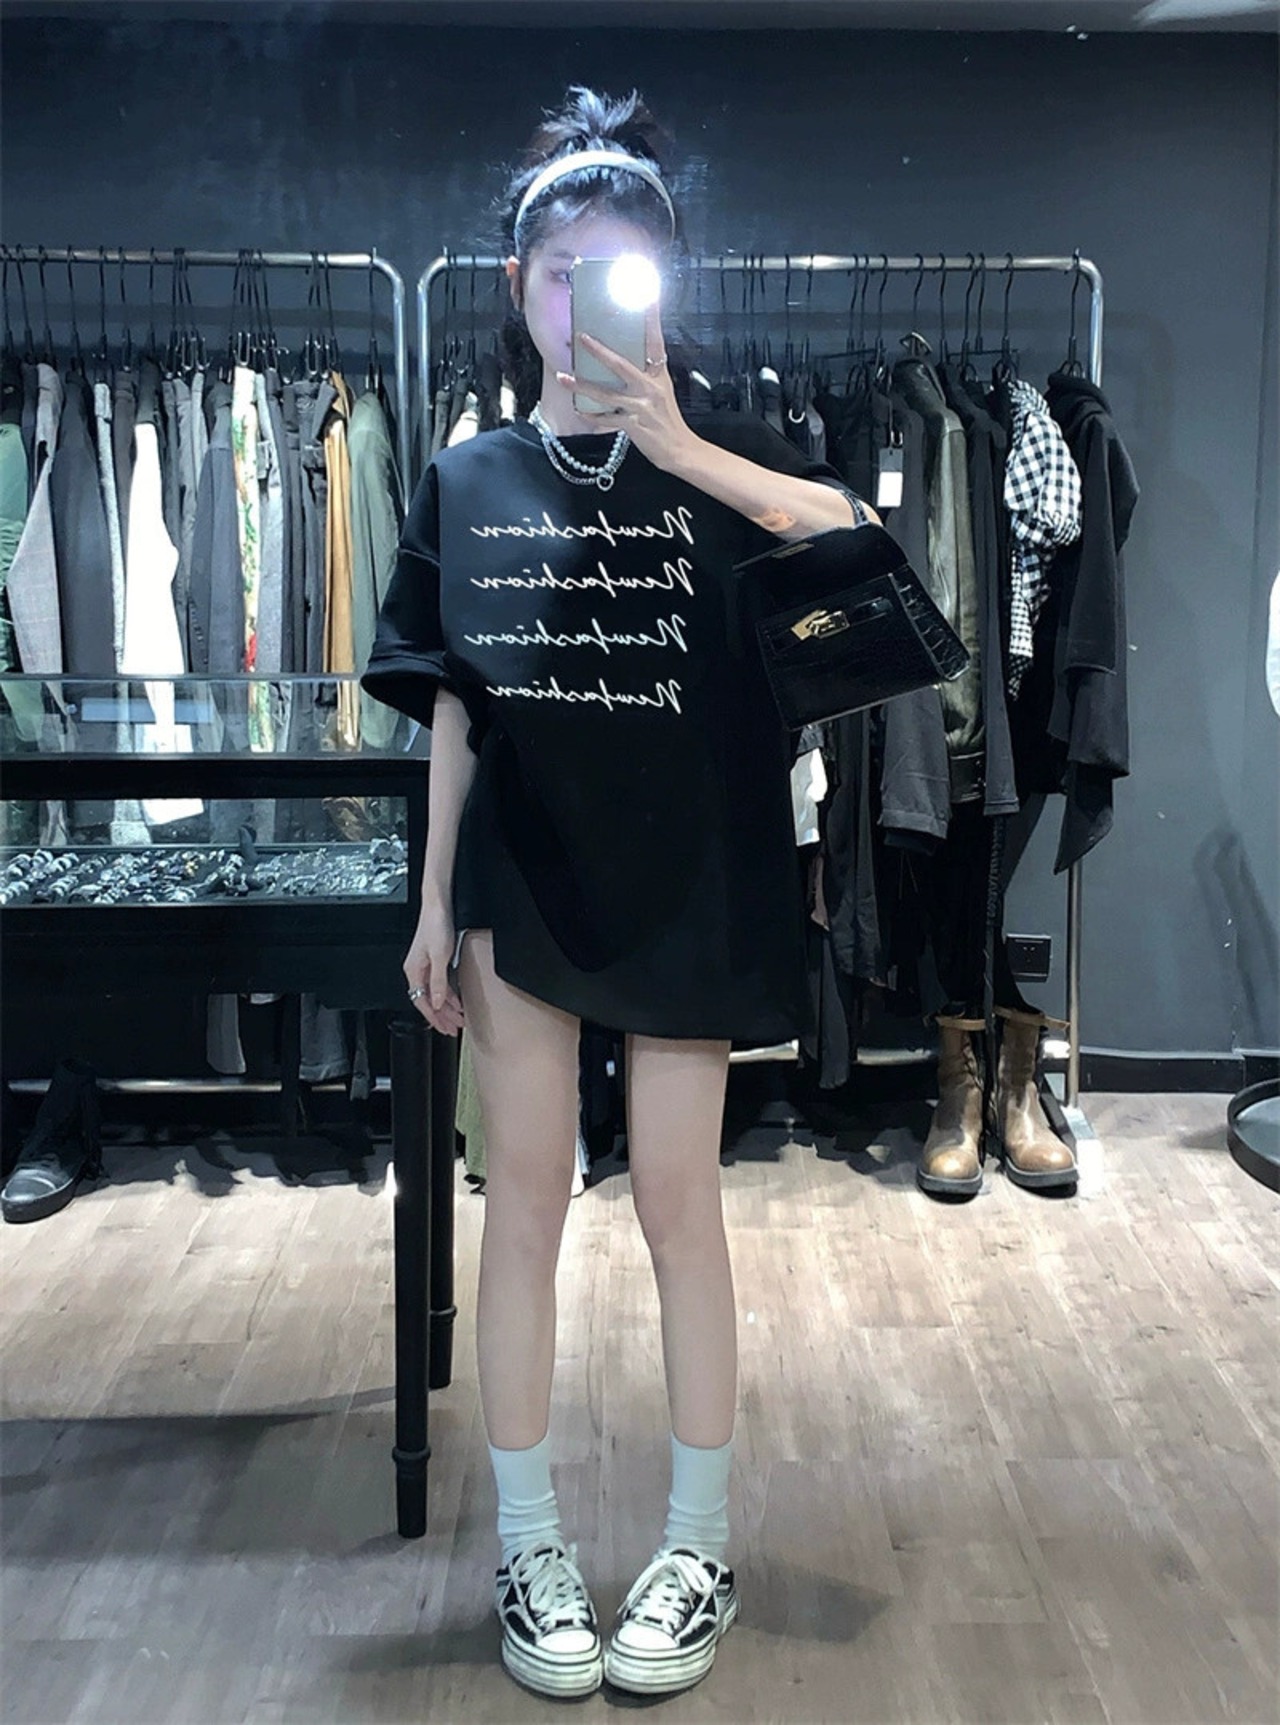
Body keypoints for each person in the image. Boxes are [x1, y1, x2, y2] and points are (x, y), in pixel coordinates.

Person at [361, 84, 876, 1701]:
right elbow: (455, 704)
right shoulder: (467, 479)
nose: (583, 297)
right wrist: (431, 901)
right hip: (522, 880)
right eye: (558, 269)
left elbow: (860, 554)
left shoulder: (728, 462)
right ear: (519, 287)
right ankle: (526, 1547)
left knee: (677, 1205)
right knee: (522, 1205)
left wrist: (681, 448)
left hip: (692, 876)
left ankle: (698, 1545)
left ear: (663, 287)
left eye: (618, 269)